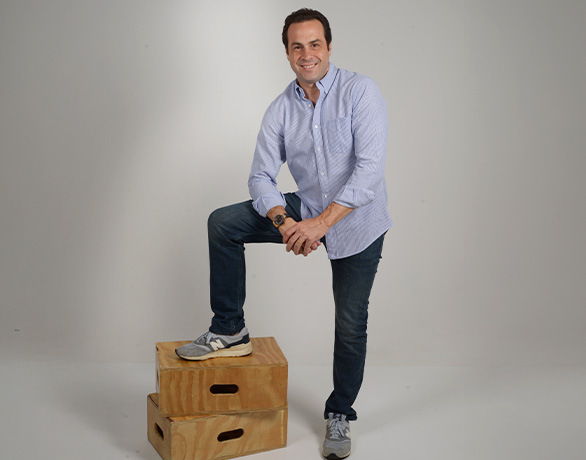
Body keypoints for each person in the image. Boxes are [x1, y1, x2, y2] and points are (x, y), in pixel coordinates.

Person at [175, 8, 391, 459]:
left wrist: (321, 224)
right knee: (223, 223)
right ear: (287, 53)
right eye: (297, 46)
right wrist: (284, 221)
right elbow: (260, 176)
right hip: (305, 209)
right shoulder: (280, 108)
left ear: (329, 47)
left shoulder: (360, 91)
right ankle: (229, 329)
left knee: (351, 325)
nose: (306, 54)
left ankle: (339, 412)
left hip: (358, 222)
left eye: (315, 44)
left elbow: (369, 170)